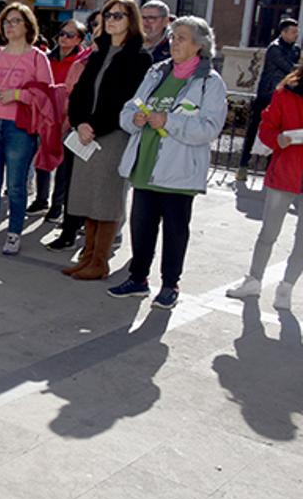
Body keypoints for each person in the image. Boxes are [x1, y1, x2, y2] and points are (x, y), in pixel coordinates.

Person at [108, 16, 228, 309]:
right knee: (142, 227)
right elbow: (130, 108)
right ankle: (138, 279)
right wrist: (134, 119)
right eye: (173, 37)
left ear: (200, 46)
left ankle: (170, 284)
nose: (174, 43)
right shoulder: (156, 72)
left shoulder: (209, 83)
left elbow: (209, 128)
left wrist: (168, 121)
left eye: (182, 38)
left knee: (175, 232)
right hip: (145, 167)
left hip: (179, 172)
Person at [60, 0, 153, 280]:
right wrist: (79, 123)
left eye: (118, 15)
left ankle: (99, 261)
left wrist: (94, 127)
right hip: (86, 133)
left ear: (131, 21)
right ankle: (87, 255)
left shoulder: (139, 57)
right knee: (87, 197)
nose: (111, 20)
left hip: (113, 135)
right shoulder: (97, 52)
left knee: (106, 199)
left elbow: (127, 101)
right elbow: (78, 92)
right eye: (108, 15)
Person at [0, 2, 55, 255]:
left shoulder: (38, 57)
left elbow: (45, 95)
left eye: (16, 21)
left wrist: (19, 94)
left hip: (19, 127)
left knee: (16, 185)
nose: (9, 25)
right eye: (6, 21)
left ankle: (14, 233)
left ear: (28, 26)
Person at [227, 60, 303, 310]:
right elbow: (266, 128)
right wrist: (279, 139)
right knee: (268, 233)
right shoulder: (285, 93)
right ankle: (254, 280)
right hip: (285, 174)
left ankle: (287, 287)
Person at [46, 11, 101, 248]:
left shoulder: (125, 59)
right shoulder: (83, 61)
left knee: (94, 186)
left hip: (104, 131)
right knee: (70, 180)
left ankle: (94, 242)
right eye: (97, 27)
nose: (102, 30)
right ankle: (69, 230)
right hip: (75, 128)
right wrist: (72, 124)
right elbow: (71, 95)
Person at [32, 18, 89, 216]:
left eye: (70, 35)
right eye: (62, 34)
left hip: (69, 115)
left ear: (80, 39)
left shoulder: (83, 61)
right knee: (42, 158)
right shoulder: (48, 57)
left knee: (63, 166)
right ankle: (41, 199)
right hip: (46, 114)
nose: (64, 38)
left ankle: (57, 205)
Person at [237, 18, 300, 182]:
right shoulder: (274, 48)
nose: (296, 35)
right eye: (293, 32)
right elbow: (288, 68)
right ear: (283, 32)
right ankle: (243, 165)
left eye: (297, 32)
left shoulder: (296, 50)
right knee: (254, 130)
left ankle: (270, 169)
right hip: (267, 95)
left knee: (279, 133)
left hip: (283, 97)